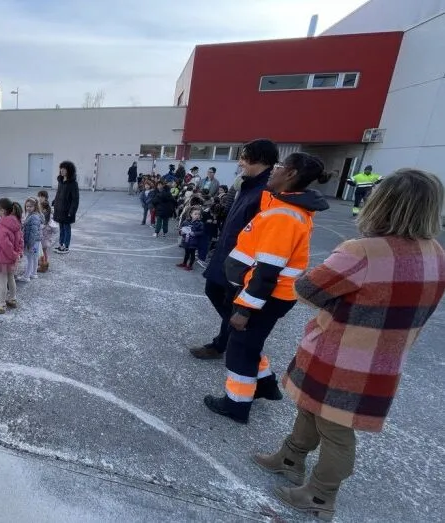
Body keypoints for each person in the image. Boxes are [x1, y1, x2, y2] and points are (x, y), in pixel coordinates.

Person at [254, 169, 445, 521]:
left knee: (336, 430)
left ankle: (320, 495)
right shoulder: (434, 252)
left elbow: (308, 289)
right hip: (384, 358)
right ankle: (290, 458)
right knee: (313, 410)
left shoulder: (363, 251)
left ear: (383, 202)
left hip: (340, 353)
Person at [203, 152, 331, 424]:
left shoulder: (283, 216)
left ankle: (235, 405)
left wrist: (245, 309)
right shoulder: (284, 207)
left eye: (281, 166)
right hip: (270, 295)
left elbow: (267, 271)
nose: (274, 170)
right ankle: (265, 384)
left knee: (240, 350)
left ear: (291, 174)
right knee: (250, 344)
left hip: (264, 296)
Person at [189, 139, 279, 360]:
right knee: (215, 291)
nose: (240, 162)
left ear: (258, 158)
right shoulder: (248, 185)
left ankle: (230, 342)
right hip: (228, 253)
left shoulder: (266, 191)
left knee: (232, 304)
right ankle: (230, 338)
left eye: (243, 157)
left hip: (241, 261)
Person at [0, 198, 24, 314]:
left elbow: (6, 245)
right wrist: (17, 254)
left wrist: (14, 254)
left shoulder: (1, 225)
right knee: (11, 278)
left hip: (3, 258)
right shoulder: (16, 222)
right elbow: (20, 240)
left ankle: (1, 303)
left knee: (2, 281)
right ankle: (13, 299)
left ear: (3, 210)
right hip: (12, 259)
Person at [53, 160, 80, 254]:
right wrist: (54, 202)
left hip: (67, 210)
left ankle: (66, 246)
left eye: (64, 169)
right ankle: (61, 244)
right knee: (61, 228)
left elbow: (75, 199)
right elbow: (58, 194)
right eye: (61, 169)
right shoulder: (61, 181)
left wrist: (72, 211)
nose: (62, 171)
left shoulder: (73, 183)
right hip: (59, 209)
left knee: (66, 228)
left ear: (69, 171)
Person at [18, 197, 42, 282]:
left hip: (32, 241)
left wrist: (29, 244)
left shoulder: (34, 217)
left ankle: (26, 276)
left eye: (30, 206)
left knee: (29, 258)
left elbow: (33, 232)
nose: (28, 208)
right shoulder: (35, 215)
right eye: (27, 206)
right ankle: (33, 273)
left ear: (35, 207)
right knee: (34, 258)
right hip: (36, 241)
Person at [37, 192, 54, 273]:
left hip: (44, 236)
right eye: (39, 196)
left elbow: (44, 223)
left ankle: (43, 265)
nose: (40, 198)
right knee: (43, 251)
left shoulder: (45, 208)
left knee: (43, 251)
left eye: (42, 196)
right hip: (45, 236)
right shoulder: (45, 207)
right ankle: (43, 264)